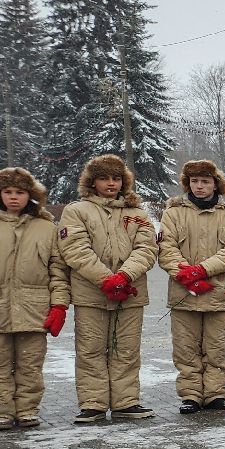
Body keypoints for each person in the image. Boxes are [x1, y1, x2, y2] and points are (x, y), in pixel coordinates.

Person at [58, 154, 158, 423]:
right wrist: (105, 279)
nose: (110, 183)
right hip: (91, 294)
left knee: (125, 349)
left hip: (130, 293)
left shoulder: (137, 214)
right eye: (104, 178)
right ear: (92, 182)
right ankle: (93, 403)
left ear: (124, 181)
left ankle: (126, 401)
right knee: (90, 349)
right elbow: (75, 250)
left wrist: (125, 276)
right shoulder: (76, 211)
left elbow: (147, 248)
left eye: (116, 178)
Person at [157, 160, 225, 414]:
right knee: (186, 348)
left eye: (205, 182)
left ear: (216, 185)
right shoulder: (173, 213)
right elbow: (165, 248)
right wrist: (185, 273)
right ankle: (191, 395)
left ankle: (216, 394)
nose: (199, 187)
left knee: (217, 348)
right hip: (183, 291)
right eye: (195, 182)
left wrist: (204, 269)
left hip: (219, 291)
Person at [0, 167, 68, 430]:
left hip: (34, 309)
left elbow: (58, 269)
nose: (13, 197)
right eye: (7, 192)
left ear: (30, 195)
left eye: (19, 192)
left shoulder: (45, 227)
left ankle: (28, 410)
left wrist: (59, 305)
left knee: (30, 365)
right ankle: (1, 412)